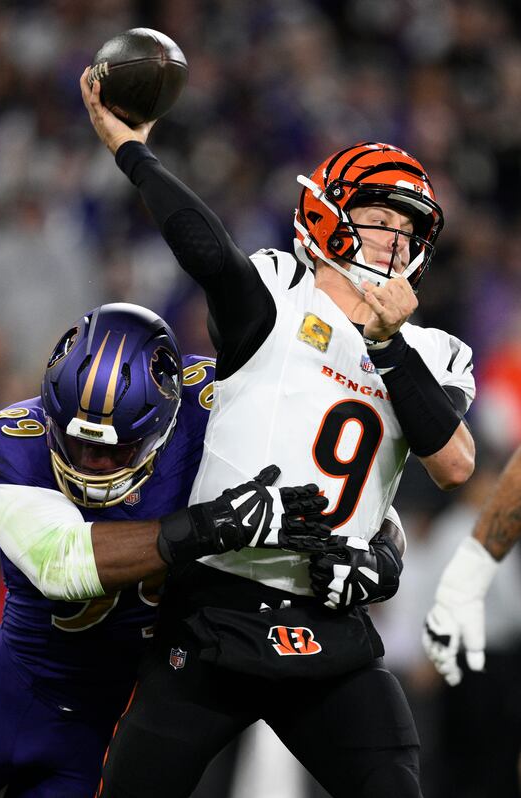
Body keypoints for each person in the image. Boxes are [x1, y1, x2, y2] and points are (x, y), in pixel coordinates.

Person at [81, 70, 476, 798]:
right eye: (379, 219)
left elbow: (453, 462)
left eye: (408, 228)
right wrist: (136, 153)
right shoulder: (274, 295)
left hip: (329, 629)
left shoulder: (435, 352)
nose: (396, 240)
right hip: (213, 616)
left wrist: (387, 345)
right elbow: (207, 251)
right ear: (328, 215)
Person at [0, 301, 331, 798]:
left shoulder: (213, 410)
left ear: (163, 423)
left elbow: (328, 469)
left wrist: (380, 541)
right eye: (79, 444)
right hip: (12, 689)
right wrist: (211, 525)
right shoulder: (13, 444)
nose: (94, 464)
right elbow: (63, 562)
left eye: (115, 449)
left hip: (118, 721)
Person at [423, 446, 521, 687]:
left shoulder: (495, 527)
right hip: (466, 652)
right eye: (490, 482)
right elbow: (434, 593)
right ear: (473, 485)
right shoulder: (452, 531)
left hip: (503, 649)